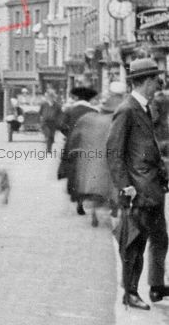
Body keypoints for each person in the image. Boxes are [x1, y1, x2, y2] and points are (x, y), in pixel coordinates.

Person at [107, 58, 169, 310]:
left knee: (160, 239)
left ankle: (155, 285)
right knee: (134, 243)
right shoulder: (127, 109)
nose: (158, 84)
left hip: (151, 188)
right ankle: (130, 293)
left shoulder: (142, 107)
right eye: (155, 80)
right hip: (138, 190)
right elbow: (113, 152)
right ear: (145, 82)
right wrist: (126, 186)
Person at [67, 81, 125, 227]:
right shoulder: (117, 111)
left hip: (89, 153)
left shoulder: (84, 115)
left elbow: (71, 132)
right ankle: (113, 209)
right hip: (108, 152)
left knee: (92, 183)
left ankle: (91, 209)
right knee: (111, 183)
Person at [57, 85, 98, 215]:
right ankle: (83, 199)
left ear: (77, 98)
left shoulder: (70, 111)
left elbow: (61, 126)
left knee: (73, 171)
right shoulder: (94, 111)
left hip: (72, 145)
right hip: (88, 146)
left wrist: (69, 135)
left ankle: (77, 199)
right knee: (86, 172)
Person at [39, 88, 62, 153]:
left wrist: (59, 121)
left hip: (53, 123)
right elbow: (40, 113)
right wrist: (41, 120)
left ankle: (49, 147)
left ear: (54, 97)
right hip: (45, 122)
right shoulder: (44, 104)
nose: (51, 98)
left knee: (52, 137)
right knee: (48, 134)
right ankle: (48, 150)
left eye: (52, 96)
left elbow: (60, 114)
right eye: (49, 96)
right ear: (47, 97)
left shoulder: (57, 105)